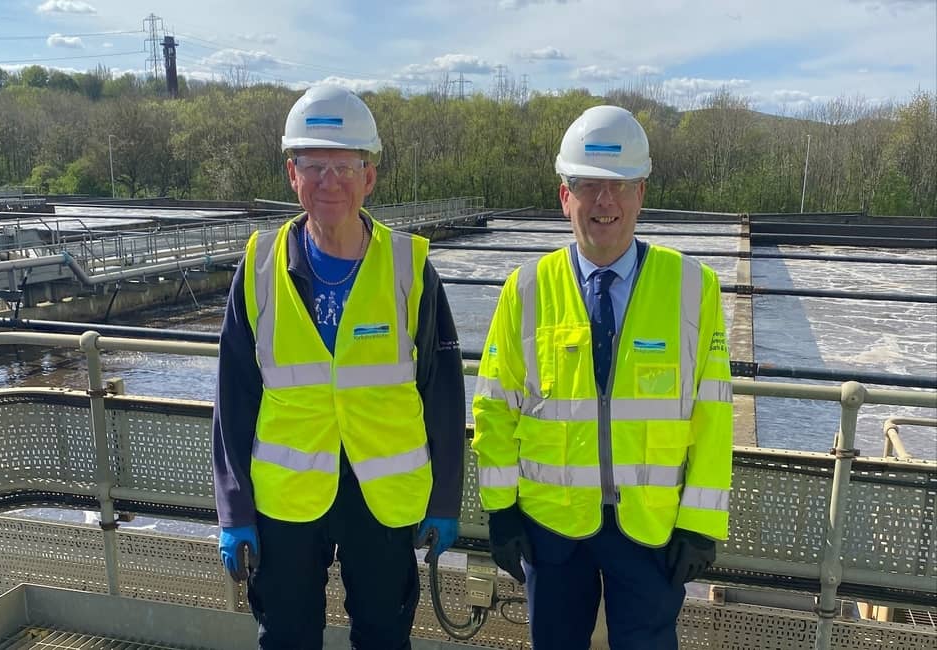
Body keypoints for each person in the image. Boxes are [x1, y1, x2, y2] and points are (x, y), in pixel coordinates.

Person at [212, 84, 466, 650]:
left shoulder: (411, 268)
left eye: (345, 167)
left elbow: (443, 394)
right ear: (291, 174)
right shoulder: (257, 268)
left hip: (383, 495)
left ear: (369, 177)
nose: (330, 182)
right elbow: (233, 397)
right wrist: (234, 508)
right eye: (315, 166)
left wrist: (445, 499)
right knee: (286, 635)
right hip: (287, 498)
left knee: (381, 635)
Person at [472, 105, 733, 649]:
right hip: (552, 527)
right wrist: (499, 513)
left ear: (642, 193)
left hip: (651, 531)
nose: (604, 202)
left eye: (619, 186)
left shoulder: (694, 288)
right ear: (564, 196)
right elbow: (495, 407)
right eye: (588, 186)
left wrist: (702, 522)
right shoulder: (525, 289)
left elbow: (712, 414)